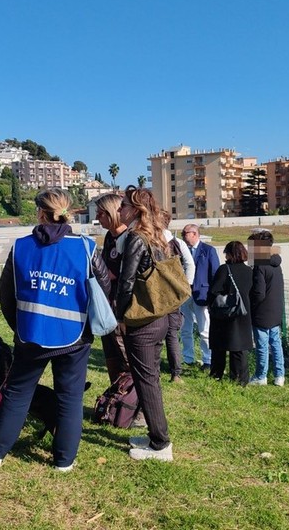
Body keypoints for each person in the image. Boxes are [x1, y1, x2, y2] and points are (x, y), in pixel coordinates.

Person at [0, 188, 111, 471]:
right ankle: (64, 462)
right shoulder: (85, 247)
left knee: (17, 394)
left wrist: (20, 326)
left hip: (30, 335)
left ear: (41, 213)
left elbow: (7, 294)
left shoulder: (21, 246)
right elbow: (104, 288)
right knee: (70, 399)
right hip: (75, 338)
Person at [116, 186, 175, 461]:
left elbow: (126, 283)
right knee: (151, 379)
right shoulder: (157, 236)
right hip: (159, 317)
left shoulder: (135, 238)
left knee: (146, 381)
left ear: (135, 210)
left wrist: (121, 317)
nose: (119, 210)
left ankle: (160, 444)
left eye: (123, 205)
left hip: (141, 321)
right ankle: (156, 435)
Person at [92, 192, 130, 385]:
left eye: (100, 213)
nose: (97, 218)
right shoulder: (109, 236)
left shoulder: (130, 237)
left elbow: (116, 273)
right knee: (111, 354)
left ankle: (133, 396)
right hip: (107, 303)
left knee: (125, 353)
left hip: (123, 305)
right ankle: (116, 394)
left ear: (113, 212)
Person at [207, 241, 254, 385]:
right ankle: (240, 379)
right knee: (239, 348)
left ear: (230, 254)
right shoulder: (249, 271)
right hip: (243, 311)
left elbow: (214, 290)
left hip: (225, 313)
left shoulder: (224, 269)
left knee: (219, 346)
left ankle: (216, 374)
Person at [248, 230, 285, 386]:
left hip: (262, 311)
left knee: (262, 345)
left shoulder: (260, 266)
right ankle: (279, 376)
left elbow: (259, 292)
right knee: (276, 344)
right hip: (276, 309)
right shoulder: (276, 263)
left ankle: (260, 376)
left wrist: (251, 303)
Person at [180, 224, 219, 369]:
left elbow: (214, 273)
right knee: (185, 329)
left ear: (195, 234)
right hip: (185, 295)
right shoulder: (182, 250)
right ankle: (188, 358)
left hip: (201, 294)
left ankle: (208, 359)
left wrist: (212, 296)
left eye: (185, 233)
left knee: (204, 329)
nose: (183, 236)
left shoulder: (208, 250)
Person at [163, 214, 195, 383]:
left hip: (157, 292)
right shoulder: (178, 243)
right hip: (175, 293)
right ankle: (175, 372)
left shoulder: (152, 240)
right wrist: (186, 287)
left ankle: (154, 368)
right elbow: (190, 264)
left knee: (153, 331)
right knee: (172, 333)